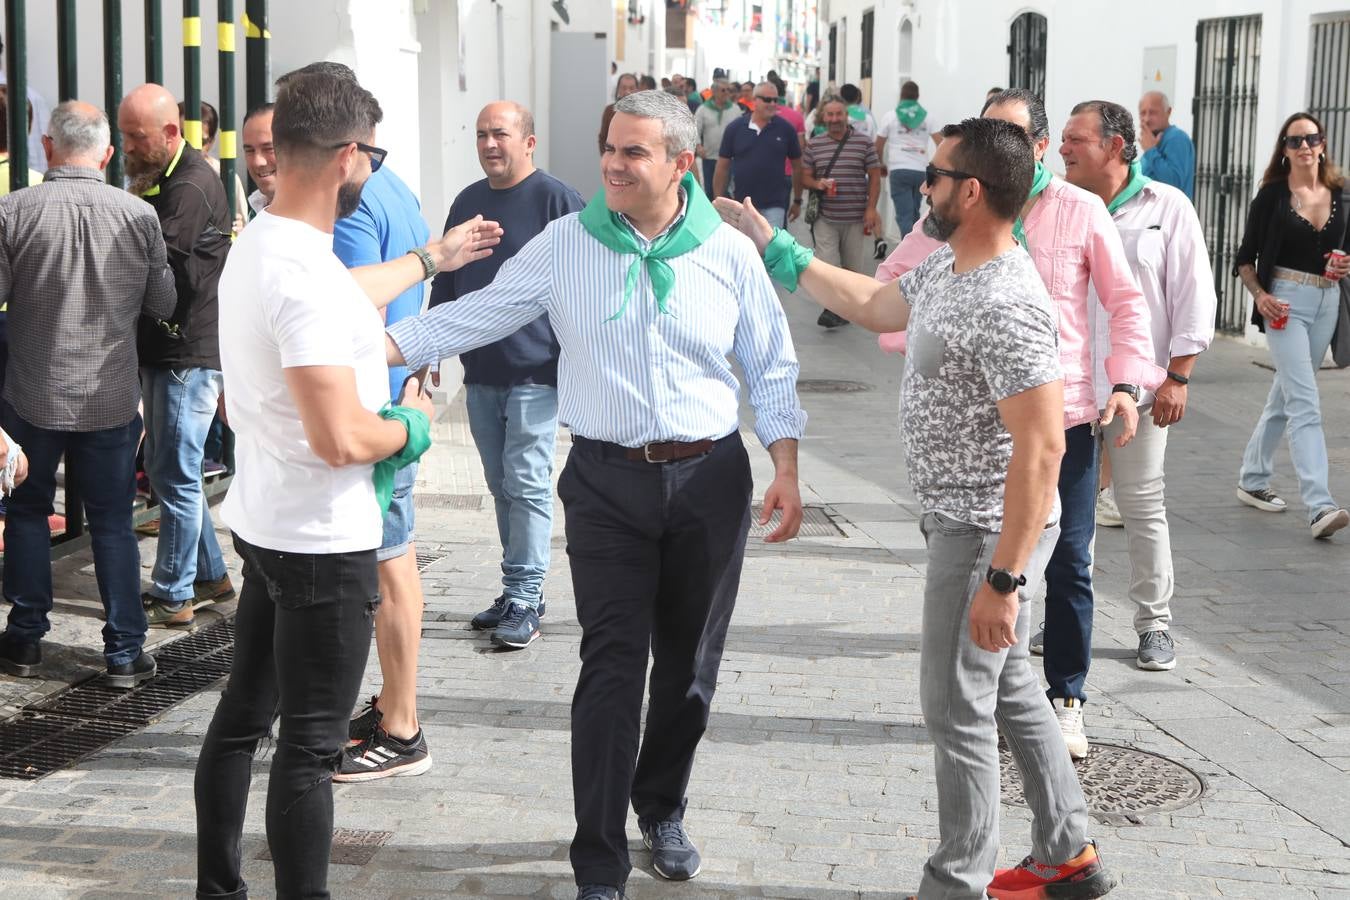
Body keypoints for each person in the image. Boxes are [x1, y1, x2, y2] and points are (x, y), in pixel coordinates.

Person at [383, 89, 805, 900]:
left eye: (633, 152)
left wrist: (783, 463)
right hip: (607, 483)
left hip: (711, 480)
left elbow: (771, 362)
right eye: (609, 147)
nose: (612, 164)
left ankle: (663, 806)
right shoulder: (566, 243)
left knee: (690, 670)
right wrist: (376, 344)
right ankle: (599, 856)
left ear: (681, 163)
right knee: (610, 667)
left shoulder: (727, 252)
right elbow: (482, 313)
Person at [715, 114, 1116, 900]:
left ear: (971, 192)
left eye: (935, 176)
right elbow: (874, 303)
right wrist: (776, 246)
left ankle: (956, 882)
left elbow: (1042, 450)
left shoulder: (1007, 298)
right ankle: (1068, 853)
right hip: (964, 526)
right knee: (1008, 687)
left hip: (983, 533)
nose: (922, 185)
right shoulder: (949, 268)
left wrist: (1003, 580)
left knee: (955, 708)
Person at [193, 68, 497, 899]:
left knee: (241, 721)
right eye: (373, 155)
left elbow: (338, 296)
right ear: (347, 158)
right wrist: (414, 426)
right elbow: (342, 439)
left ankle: (218, 888)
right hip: (322, 542)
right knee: (308, 749)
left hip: (268, 523)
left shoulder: (264, 240)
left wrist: (430, 258)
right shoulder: (303, 274)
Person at [876, 88, 1164, 757]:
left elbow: (1126, 303)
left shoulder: (1080, 210)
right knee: (994, 572)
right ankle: (1003, 700)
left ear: (1036, 147)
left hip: (1059, 421)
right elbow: (887, 288)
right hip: (978, 435)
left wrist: (1126, 384)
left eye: (1007, 136)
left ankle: (1066, 697)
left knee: (1068, 561)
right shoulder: (953, 214)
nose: (990, 148)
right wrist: (933, 350)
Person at [0, 100, 175, 687]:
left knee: (28, 512)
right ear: (106, 154)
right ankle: (124, 650)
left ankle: (25, 637)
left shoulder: (13, 211)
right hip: (109, 396)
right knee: (112, 523)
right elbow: (163, 303)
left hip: (32, 391)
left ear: (48, 147)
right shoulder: (139, 215)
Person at [1060, 100, 1217, 670]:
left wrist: (1178, 377)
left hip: (1142, 391)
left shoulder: (1166, 206)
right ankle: (1063, 617)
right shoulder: (1061, 207)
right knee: (1067, 510)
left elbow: (1193, 296)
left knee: (1141, 502)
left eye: (1076, 139)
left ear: (1116, 147)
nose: (1063, 149)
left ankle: (1154, 624)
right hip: (1071, 389)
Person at [427, 101, 583, 654]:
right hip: (481, 371)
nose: (490, 144)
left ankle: (524, 597)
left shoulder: (558, 201)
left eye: (500, 133)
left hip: (537, 373)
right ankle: (517, 589)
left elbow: (584, 282)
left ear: (528, 142)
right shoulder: (467, 201)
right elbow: (446, 281)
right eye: (481, 135)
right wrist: (432, 346)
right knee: (500, 487)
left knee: (527, 483)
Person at [317, 65, 437, 781]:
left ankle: (402, 728)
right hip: (396, 397)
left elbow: (354, 305)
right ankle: (393, 706)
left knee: (390, 566)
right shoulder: (397, 187)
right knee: (395, 561)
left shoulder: (357, 201)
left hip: (377, 409)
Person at [118, 83, 236, 629]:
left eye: (137, 137)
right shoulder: (169, 178)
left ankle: (173, 592)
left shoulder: (188, 184)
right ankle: (209, 575)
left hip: (186, 352)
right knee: (171, 470)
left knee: (176, 472)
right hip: (173, 348)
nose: (128, 147)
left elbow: (158, 262)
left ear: (170, 133)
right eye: (124, 135)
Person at [1234, 111, 1350, 539]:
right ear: (1283, 149)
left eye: (1311, 139)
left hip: (1328, 301)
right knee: (1304, 401)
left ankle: (1252, 477)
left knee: (1286, 394)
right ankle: (1320, 505)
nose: (1304, 146)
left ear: (1323, 144)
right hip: (1285, 302)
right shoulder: (1272, 197)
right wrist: (1261, 296)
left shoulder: (1342, 193)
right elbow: (1244, 259)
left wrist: (1345, 264)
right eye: (1294, 140)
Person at [800, 96, 882, 329]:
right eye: (830, 114)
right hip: (825, 217)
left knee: (852, 269)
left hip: (855, 216)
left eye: (839, 114)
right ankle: (833, 309)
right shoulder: (815, 144)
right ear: (823, 117)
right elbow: (805, 177)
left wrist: (871, 209)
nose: (834, 119)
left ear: (846, 116)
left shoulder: (864, 143)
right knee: (829, 265)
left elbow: (875, 177)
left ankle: (845, 309)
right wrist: (817, 184)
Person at [715, 81, 803, 228]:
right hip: (742, 204)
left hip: (775, 205)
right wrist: (719, 200)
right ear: (754, 100)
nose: (772, 104)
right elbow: (722, 167)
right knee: (743, 243)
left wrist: (797, 200)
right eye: (767, 100)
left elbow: (798, 166)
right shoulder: (735, 128)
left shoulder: (786, 129)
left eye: (775, 100)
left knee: (770, 243)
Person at [876, 80, 938, 240]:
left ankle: (909, 248)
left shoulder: (890, 116)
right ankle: (915, 247)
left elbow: (878, 145)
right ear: (917, 96)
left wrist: (880, 164)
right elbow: (941, 143)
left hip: (899, 170)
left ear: (901, 95)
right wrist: (936, 168)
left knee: (904, 215)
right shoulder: (927, 117)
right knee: (914, 213)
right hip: (921, 171)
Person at [1138, 91, 1195, 200]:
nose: (1147, 119)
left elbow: (1174, 183)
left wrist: (1150, 150)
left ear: (1168, 112)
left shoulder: (1176, 138)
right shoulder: (1153, 142)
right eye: (1142, 113)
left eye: (1153, 113)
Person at [694, 79, 736, 198]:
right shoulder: (703, 109)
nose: (727, 93)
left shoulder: (735, 109)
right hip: (710, 157)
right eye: (723, 90)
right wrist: (698, 146)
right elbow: (695, 129)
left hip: (730, 158)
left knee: (727, 191)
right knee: (710, 190)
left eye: (729, 90)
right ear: (714, 91)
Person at [241, 102, 276, 216]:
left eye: (269, 148)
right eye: (250, 150)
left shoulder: (320, 218)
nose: (257, 162)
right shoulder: (255, 209)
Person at [598, 72, 641, 155]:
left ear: (637, 90)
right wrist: (606, 158)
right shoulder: (609, 110)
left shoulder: (643, 113)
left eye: (631, 88)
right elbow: (603, 138)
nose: (627, 92)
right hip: (613, 159)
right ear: (618, 89)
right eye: (623, 88)